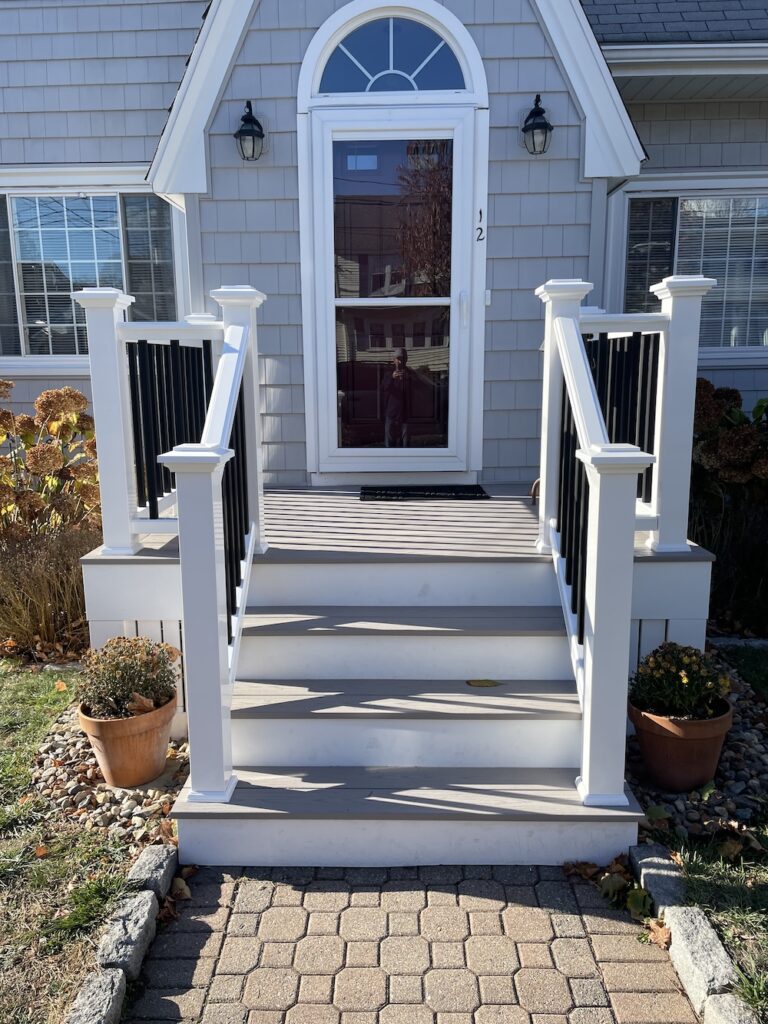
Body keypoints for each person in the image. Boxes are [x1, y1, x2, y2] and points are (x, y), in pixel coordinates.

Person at [380, 347, 411, 447]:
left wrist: (407, 378)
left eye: (402, 358)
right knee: (389, 444)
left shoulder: (411, 375)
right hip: (391, 414)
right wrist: (392, 378)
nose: (400, 361)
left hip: (405, 415)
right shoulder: (388, 375)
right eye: (397, 358)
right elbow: (383, 389)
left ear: (406, 360)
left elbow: (415, 391)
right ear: (394, 360)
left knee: (405, 445)